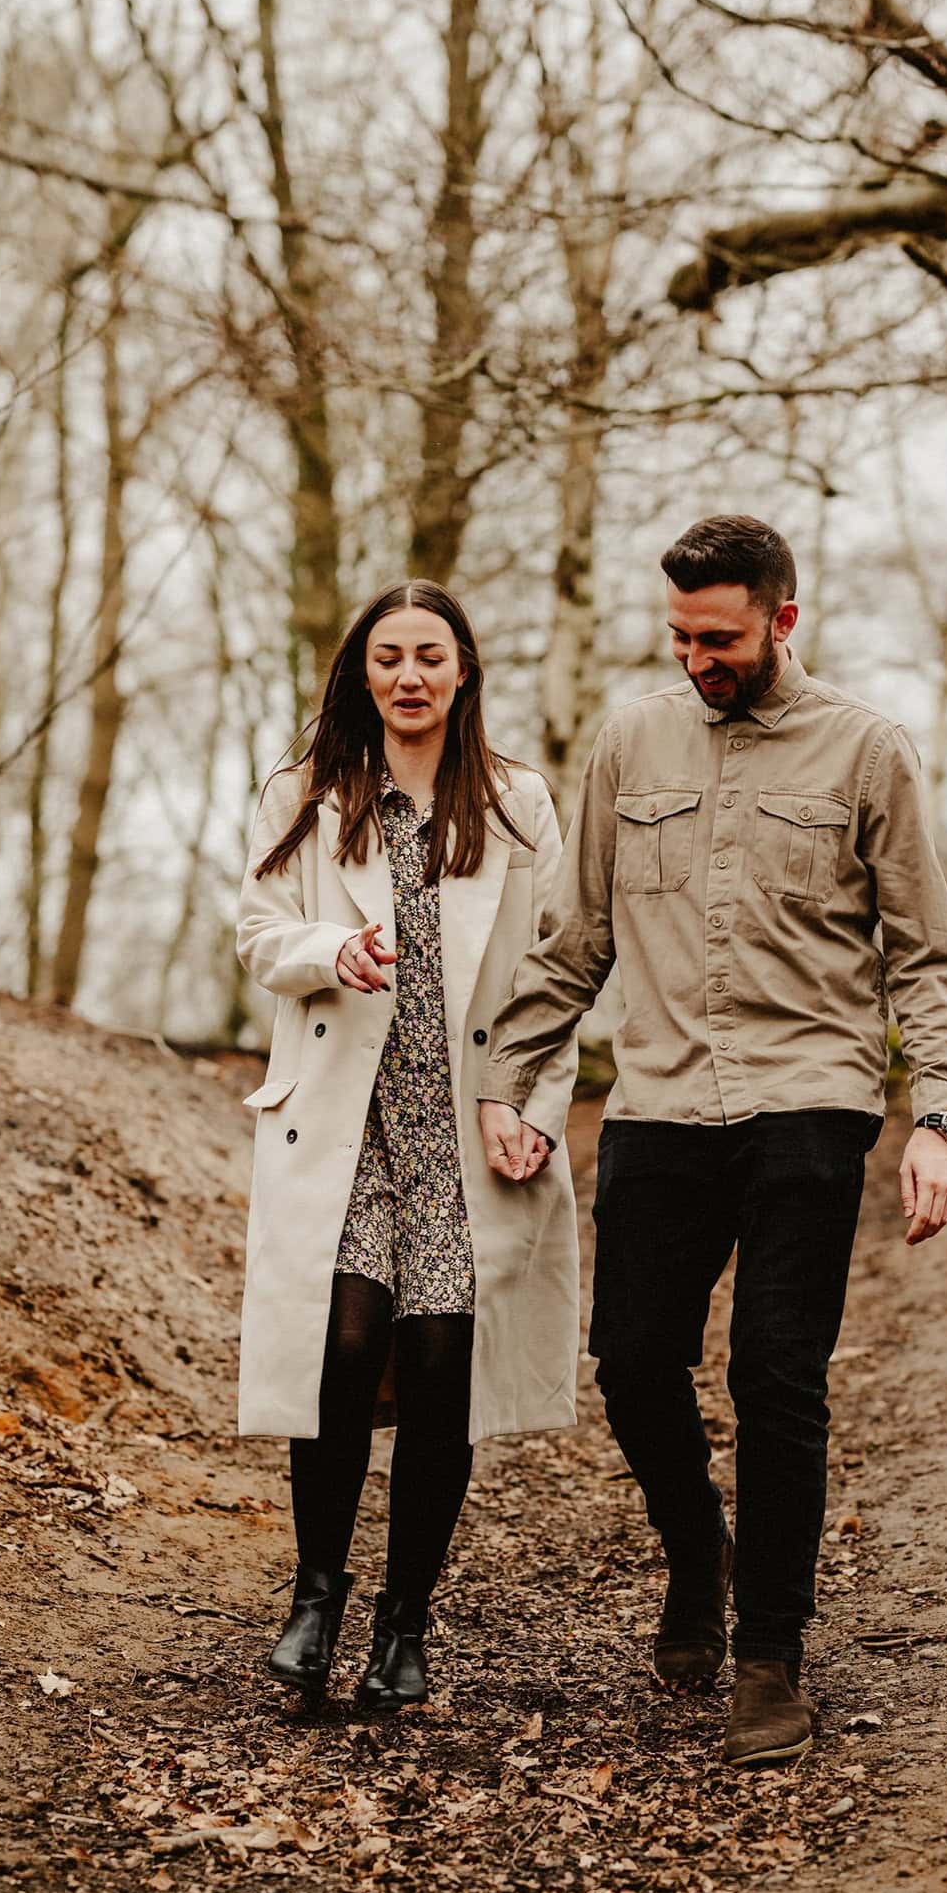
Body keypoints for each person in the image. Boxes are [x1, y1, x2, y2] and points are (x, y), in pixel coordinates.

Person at [478, 515, 947, 1767]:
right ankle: (698, 1551)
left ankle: (770, 1654)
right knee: (634, 1358)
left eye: (723, 638)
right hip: (657, 1100)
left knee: (775, 1374)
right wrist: (505, 1078)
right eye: (683, 636)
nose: (699, 657)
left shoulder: (867, 751)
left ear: (781, 622)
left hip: (812, 1099)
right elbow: (577, 937)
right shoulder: (630, 741)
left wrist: (940, 1118)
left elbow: (926, 956)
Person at [235, 578, 579, 1709]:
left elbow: (558, 975)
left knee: (442, 1367)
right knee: (341, 1343)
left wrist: (530, 1103)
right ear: (362, 670)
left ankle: (405, 1623)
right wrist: (330, 949)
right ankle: (315, 1600)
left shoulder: (519, 801)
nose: (410, 676)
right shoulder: (311, 790)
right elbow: (257, 930)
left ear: (464, 667)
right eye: (389, 657)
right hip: (346, 1120)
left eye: (430, 654)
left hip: (466, 1127)